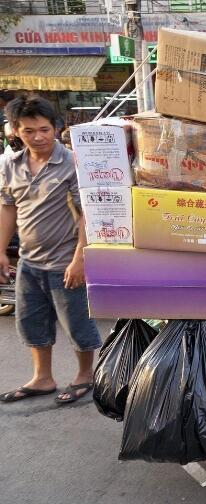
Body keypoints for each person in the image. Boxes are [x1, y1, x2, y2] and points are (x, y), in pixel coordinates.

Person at [0, 96, 101, 404]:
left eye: (44, 129)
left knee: (76, 322)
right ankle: (42, 378)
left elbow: (88, 214)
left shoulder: (72, 163)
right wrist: (2, 250)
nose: (39, 137)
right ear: (16, 130)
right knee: (31, 321)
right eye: (29, 131)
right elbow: (7, 208)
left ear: (57, 128)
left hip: (65, 261)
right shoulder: (11, 165)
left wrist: (80, 259)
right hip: (29, 262)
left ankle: (85, 375)